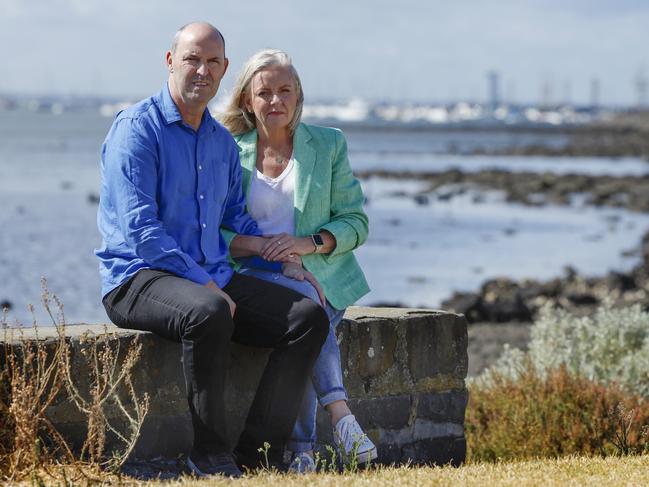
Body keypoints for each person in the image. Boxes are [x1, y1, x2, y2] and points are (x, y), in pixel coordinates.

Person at [95, 23, 329, 478]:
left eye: (212, 62)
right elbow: (142, 232)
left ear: (223, 69)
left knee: (307, 317)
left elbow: (236, 220)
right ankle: (210, 457)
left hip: (208, 277)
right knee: (208, 312)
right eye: (191, 59)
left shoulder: (220, 143)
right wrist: (205, 283)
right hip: (137, 278)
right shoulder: (136, 130)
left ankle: (258, 454)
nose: (202, 70)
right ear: (170, 61)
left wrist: (288, 261)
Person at [220, 49, 375, 473]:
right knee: (305, 305)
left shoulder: (327, 145)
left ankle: (302, 453)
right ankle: (339, 416)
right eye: (264, 92)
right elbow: (216, 232)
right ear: (247, 101)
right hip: (254, 273)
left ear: (298, 95)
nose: (275, 101)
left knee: (308, 305)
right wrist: (265, 250)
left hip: (321, 275)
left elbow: (356, 222)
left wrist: (307, 245)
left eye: (284, 90)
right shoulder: (229, 152)